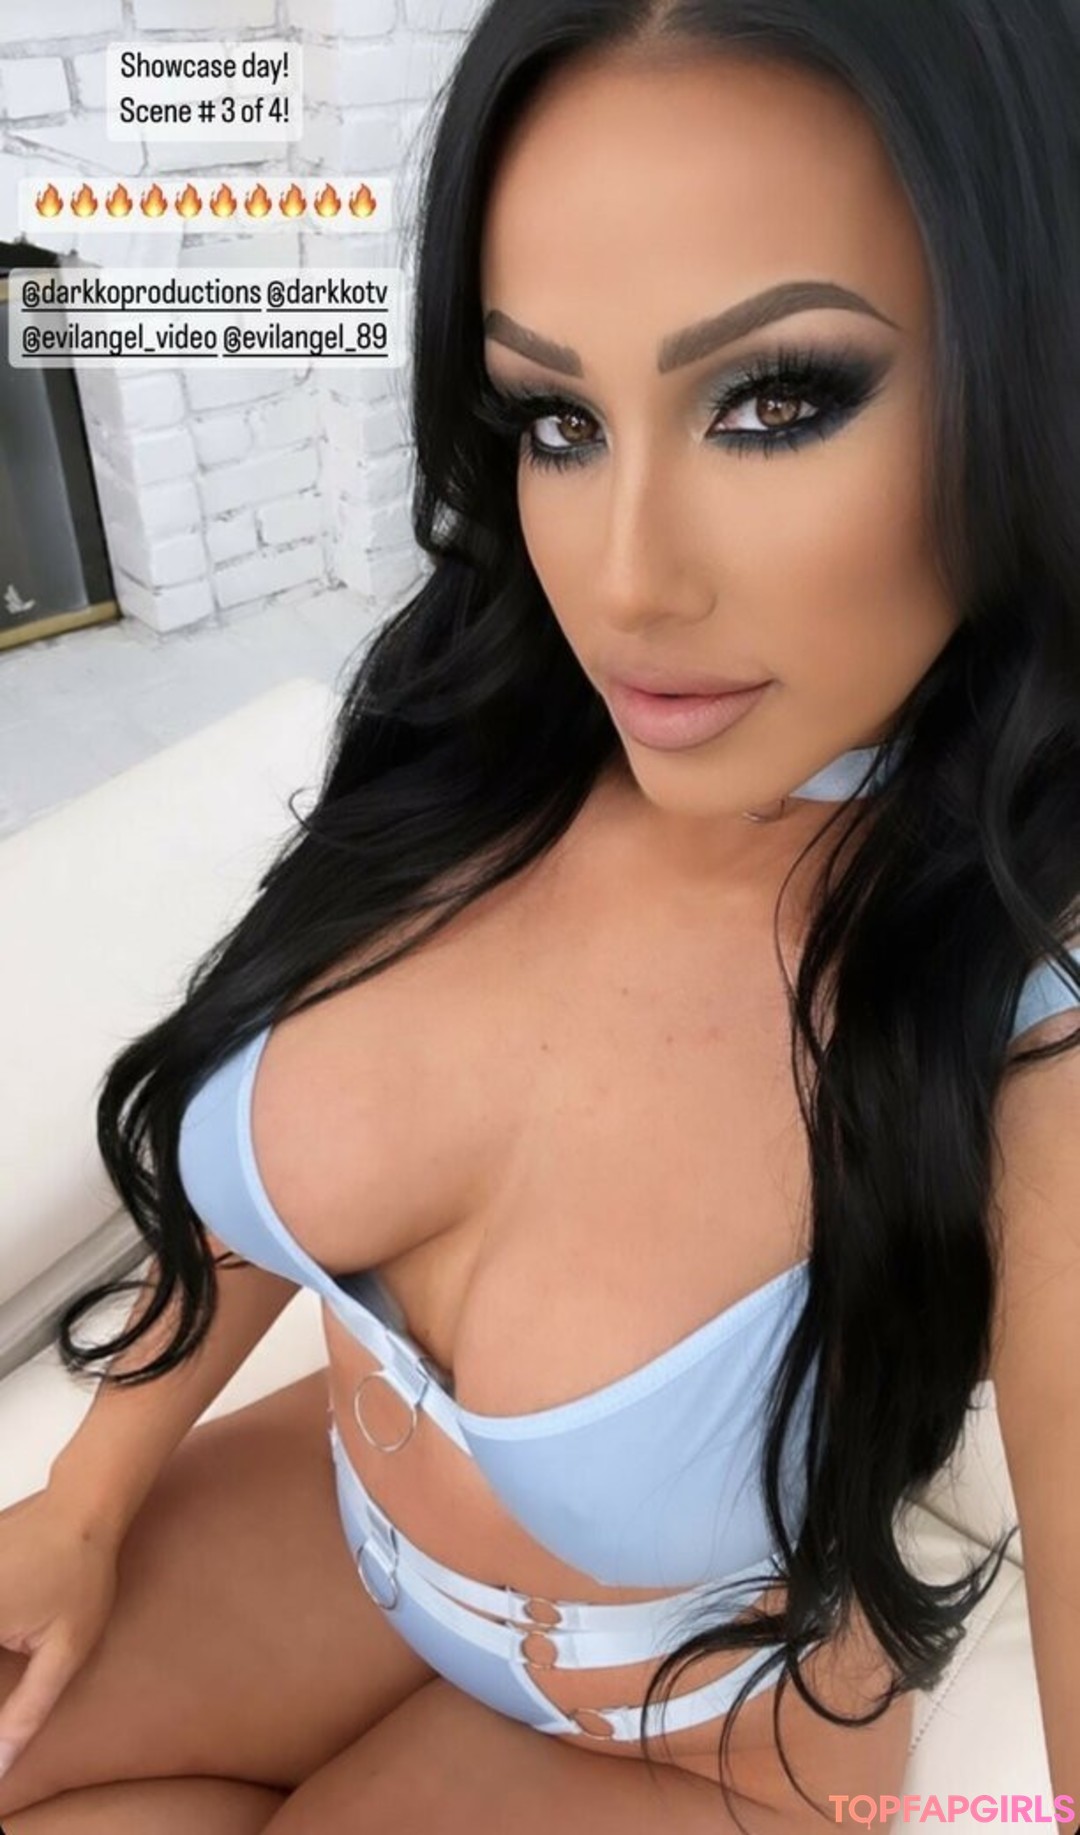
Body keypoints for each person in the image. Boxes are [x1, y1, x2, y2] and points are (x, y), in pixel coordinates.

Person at [2, 2, 1080, 1831]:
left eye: (776, 400)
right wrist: (86, 1498)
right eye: (557, 418)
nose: (624, 580)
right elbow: (292, 1162)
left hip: (696, 1732)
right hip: (343, 1538)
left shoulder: (1035, 1020)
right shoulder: (477, 739)